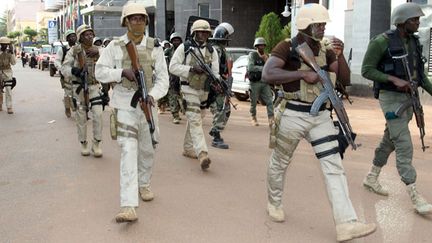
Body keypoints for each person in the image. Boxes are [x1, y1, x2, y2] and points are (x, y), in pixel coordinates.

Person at [262, 3, 376, 242]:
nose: (323, 28)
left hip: (321, 116)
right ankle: (274, 203)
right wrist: (301, 74)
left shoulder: (327, 50)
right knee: (280, 162)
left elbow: (344, 80)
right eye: (319, 24)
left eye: (324, 24)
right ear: (305, 26)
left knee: (334, 166)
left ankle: (346, 223)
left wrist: (341, 55)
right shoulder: (287, 47)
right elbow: (268, 74)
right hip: (293, 113)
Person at [95, 2, 169, 223]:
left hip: (148, 104)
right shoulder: (115, 46)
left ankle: (143, 184)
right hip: (124, 103)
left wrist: (153, 95)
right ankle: (128, 205)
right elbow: (100, 71)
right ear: (125, 21)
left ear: (146, 22)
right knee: (128, 151)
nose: (137, 22)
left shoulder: (155, 47)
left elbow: (163, 79)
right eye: (133, 18)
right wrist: (121, 72)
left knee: (147, 149)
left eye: (141, 18)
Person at [361, 2, 432, 215]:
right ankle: (415, 195)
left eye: (418, 19)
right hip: (390, 98)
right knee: (404, 143)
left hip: (409, 99)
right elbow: (366, 70)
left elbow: (421, 77)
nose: (418, 22)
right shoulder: (381, 42)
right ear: (402, 22)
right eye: (414, 20)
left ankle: (371, 177)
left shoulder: (414, 42)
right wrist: (392, 79)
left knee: (389, 140)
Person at [169, 19, 220, 170]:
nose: (203, 34)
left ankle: (188, 148)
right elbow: (173, 67)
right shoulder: (184, 48)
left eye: (206, 32)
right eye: (200, 31)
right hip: (188, 87)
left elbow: (215, 72)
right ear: (194, 32)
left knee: (198, 117)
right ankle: (202, 153)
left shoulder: (212, 50)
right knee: (196, 119)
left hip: (204, 90)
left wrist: (217, 83)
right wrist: (191, 69)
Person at [62, 24, 105, 157]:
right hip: (79, 88)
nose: (90, 36)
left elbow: (109, 61)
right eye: (86, 35)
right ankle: (84, 143)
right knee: (81, 117)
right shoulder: (74, 51)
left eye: (91, 34)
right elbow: (64, 68)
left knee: (98, 114)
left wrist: (97, 52)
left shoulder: (99, 49)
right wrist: (75, 71)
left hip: (94, 86)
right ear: (80, 37)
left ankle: (96, 143)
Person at [208, 22, 235, 149]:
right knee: (222, 109)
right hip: (217, 83)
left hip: (218, 83)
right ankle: (216, 135)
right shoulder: (217, 50)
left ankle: (216, 130)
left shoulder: (216, 49)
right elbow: (215, 69)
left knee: (223, 109)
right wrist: (221, 82)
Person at [248, 37, 274, 126]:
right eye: (259, 45)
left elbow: (270, 67)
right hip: (255, 82)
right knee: (253, 102)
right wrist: (263, 68)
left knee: (270, 101)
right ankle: (253, 117)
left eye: (263, 45)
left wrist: (266, 60)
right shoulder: (253, 55)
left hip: (264, 82)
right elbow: (250, 67)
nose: (261, 47)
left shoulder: (267, 56)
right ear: (256, 46)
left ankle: (271, 118)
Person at [55, 30, 77, 118]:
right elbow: (57, 61)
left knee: (78, 93)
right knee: (68, 93)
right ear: (67, 39)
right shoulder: (63, 49)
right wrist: (62, 70)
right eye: (71, 36)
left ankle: (79, 109)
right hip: (67, 75)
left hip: (77, 74)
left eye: (74, 36)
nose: (73, 38)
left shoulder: (78, 48)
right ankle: (67, 108)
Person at [165, 32, 183, 124]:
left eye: (178, 40)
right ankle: (175, 115)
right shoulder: (168, 51)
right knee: (172, 96)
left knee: (183, 97)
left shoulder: (184, 50)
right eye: (174, 40)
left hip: (182, 76)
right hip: (172, 76)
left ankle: (181, 110)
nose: (176, 42)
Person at [0, 37, 16, 114]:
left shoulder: (9, 53)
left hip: (7, 72)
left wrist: (12, 53)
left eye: (6, 45)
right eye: (2, 45)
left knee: (8, 90)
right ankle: (0, 104)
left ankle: (9, 107)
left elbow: (13, 63)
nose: (4, 46)